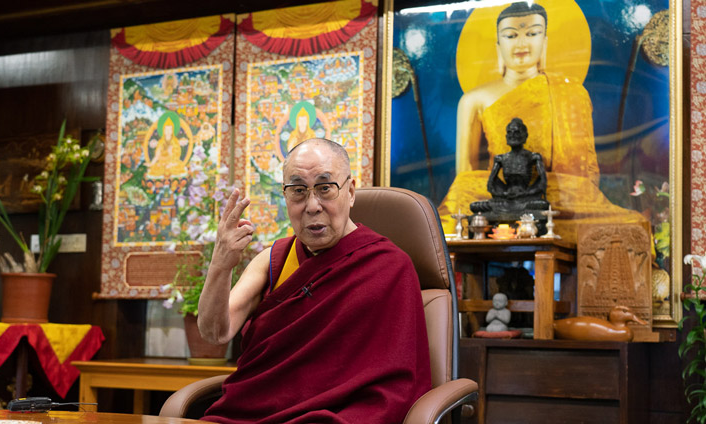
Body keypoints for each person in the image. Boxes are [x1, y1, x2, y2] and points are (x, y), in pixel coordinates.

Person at [197, 138, 431, 423]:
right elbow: (215, 333)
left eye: (325, 188)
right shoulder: (275, 260)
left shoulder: (391, 267)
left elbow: (396, 387)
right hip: (249, 417)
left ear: (351, 192)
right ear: (285, 196)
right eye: (298, 191)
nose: (312, 206)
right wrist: (221, 264)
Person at [438, 2, 648, 243]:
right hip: (499, 201)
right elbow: (465, 179)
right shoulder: (473, 99)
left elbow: (587, 175)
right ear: (498, 44)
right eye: (511, 35)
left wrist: (554, 190)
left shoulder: (572, 93)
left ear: (545, 41)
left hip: (560, 198)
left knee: (634, 227)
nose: (522, 43)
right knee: (450, 217)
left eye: (532, 33)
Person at [470, 117, 549, 217]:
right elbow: (491, 185)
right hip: (505, 200)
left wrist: (525, 194)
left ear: (525, 136)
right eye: (509, 132)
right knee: (475, 206)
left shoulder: (533, 157)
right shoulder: (500, 158)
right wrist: (503, 194)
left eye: (516, 132)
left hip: (526, 199)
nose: (512, 136)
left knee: (542, 205)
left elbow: (542, 183)